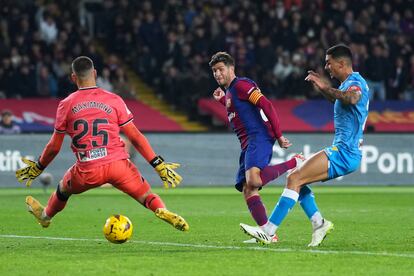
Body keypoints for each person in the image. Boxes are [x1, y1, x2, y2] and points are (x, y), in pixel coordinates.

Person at [16, 56, 189, 232]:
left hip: (87, 169)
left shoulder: (66, 105)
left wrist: (38, 167)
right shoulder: (114, 99)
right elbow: (135, 136)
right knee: (146, 196)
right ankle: (162, 210)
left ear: (73, 77)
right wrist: (157, 164)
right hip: (118, 165)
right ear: (95, 74)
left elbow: (54, 146)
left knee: (63, 189)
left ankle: (45, 216)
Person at [240, 44, 369, 247]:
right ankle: (319, 223)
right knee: (300, 179)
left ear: (342, 63)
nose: (326, 67)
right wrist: (322, 87)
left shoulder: (355, 83)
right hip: (346, 152)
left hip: (345, 152)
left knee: (294, 177)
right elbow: (339, 98)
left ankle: (268, 231)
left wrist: (326, 87)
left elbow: (352, 98)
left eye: (329, 63)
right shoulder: (346, 84)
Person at [209, 52, 304, 243]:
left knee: (253, 180)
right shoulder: (229, 92)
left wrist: (278, 135)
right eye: (214, 71)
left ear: (231, 68)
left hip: (258, 137)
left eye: (220, 69)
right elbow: (240, 110)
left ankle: (295, 162)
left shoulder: (242, 85)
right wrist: (222, 100)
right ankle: (267, 234)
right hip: (247, 145)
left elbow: (266, 105)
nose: (217, 74)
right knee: (248, 189)